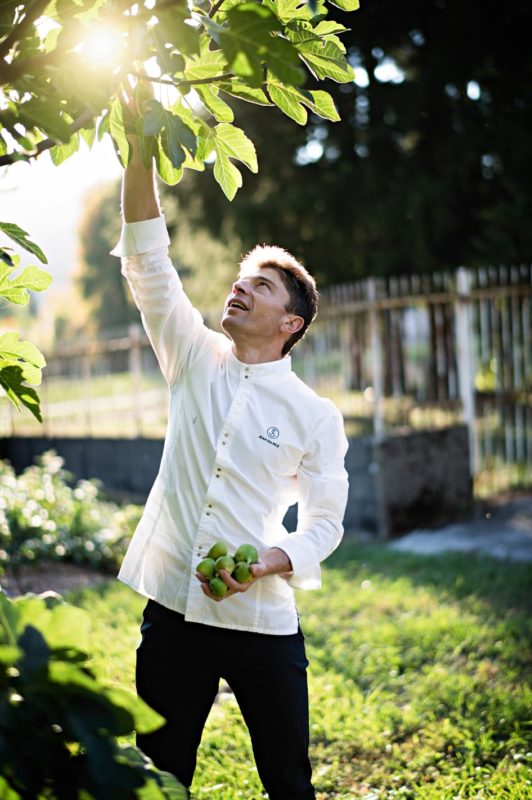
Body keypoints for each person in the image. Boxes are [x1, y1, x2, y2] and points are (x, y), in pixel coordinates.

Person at [111, 122, 349, 800]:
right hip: (173, 613)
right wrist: (138, 149)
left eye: (262, 287)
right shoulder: (191, 358)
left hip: (262, 623)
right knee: (159, 777)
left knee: (287, 782)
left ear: (290, 323)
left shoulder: (314, 415)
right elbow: (149, 263)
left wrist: (266, 564)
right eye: (241, 280)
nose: (240, 289)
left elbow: (325, 526)